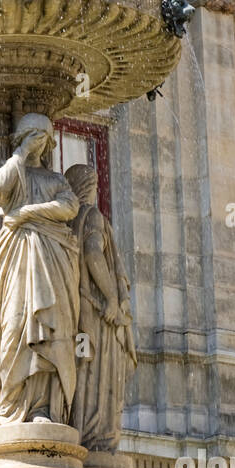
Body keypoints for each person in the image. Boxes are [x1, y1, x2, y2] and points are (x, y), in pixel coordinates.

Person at [0, 114, 80, 424]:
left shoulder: (55, 180)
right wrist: (20, 154)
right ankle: (10, 405)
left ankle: (42, 409)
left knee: (50, 331)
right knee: (14, 325)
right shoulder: (14, 174)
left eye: (44, 136)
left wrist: (27, 213)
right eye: (33, 135)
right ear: (23, 137)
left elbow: (70, 207)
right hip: (16, 256)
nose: (40, 141)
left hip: (53, 260)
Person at [65, 164, 137, 451]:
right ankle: (98, 436)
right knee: (99, 369)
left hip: (76, 311)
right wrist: (110, 297)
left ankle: (78, 427)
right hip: (98, 313)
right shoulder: (92, 216)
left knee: (82, 367)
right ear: (87, 187)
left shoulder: (66, 221)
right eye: (93, 185)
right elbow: (95, 254)